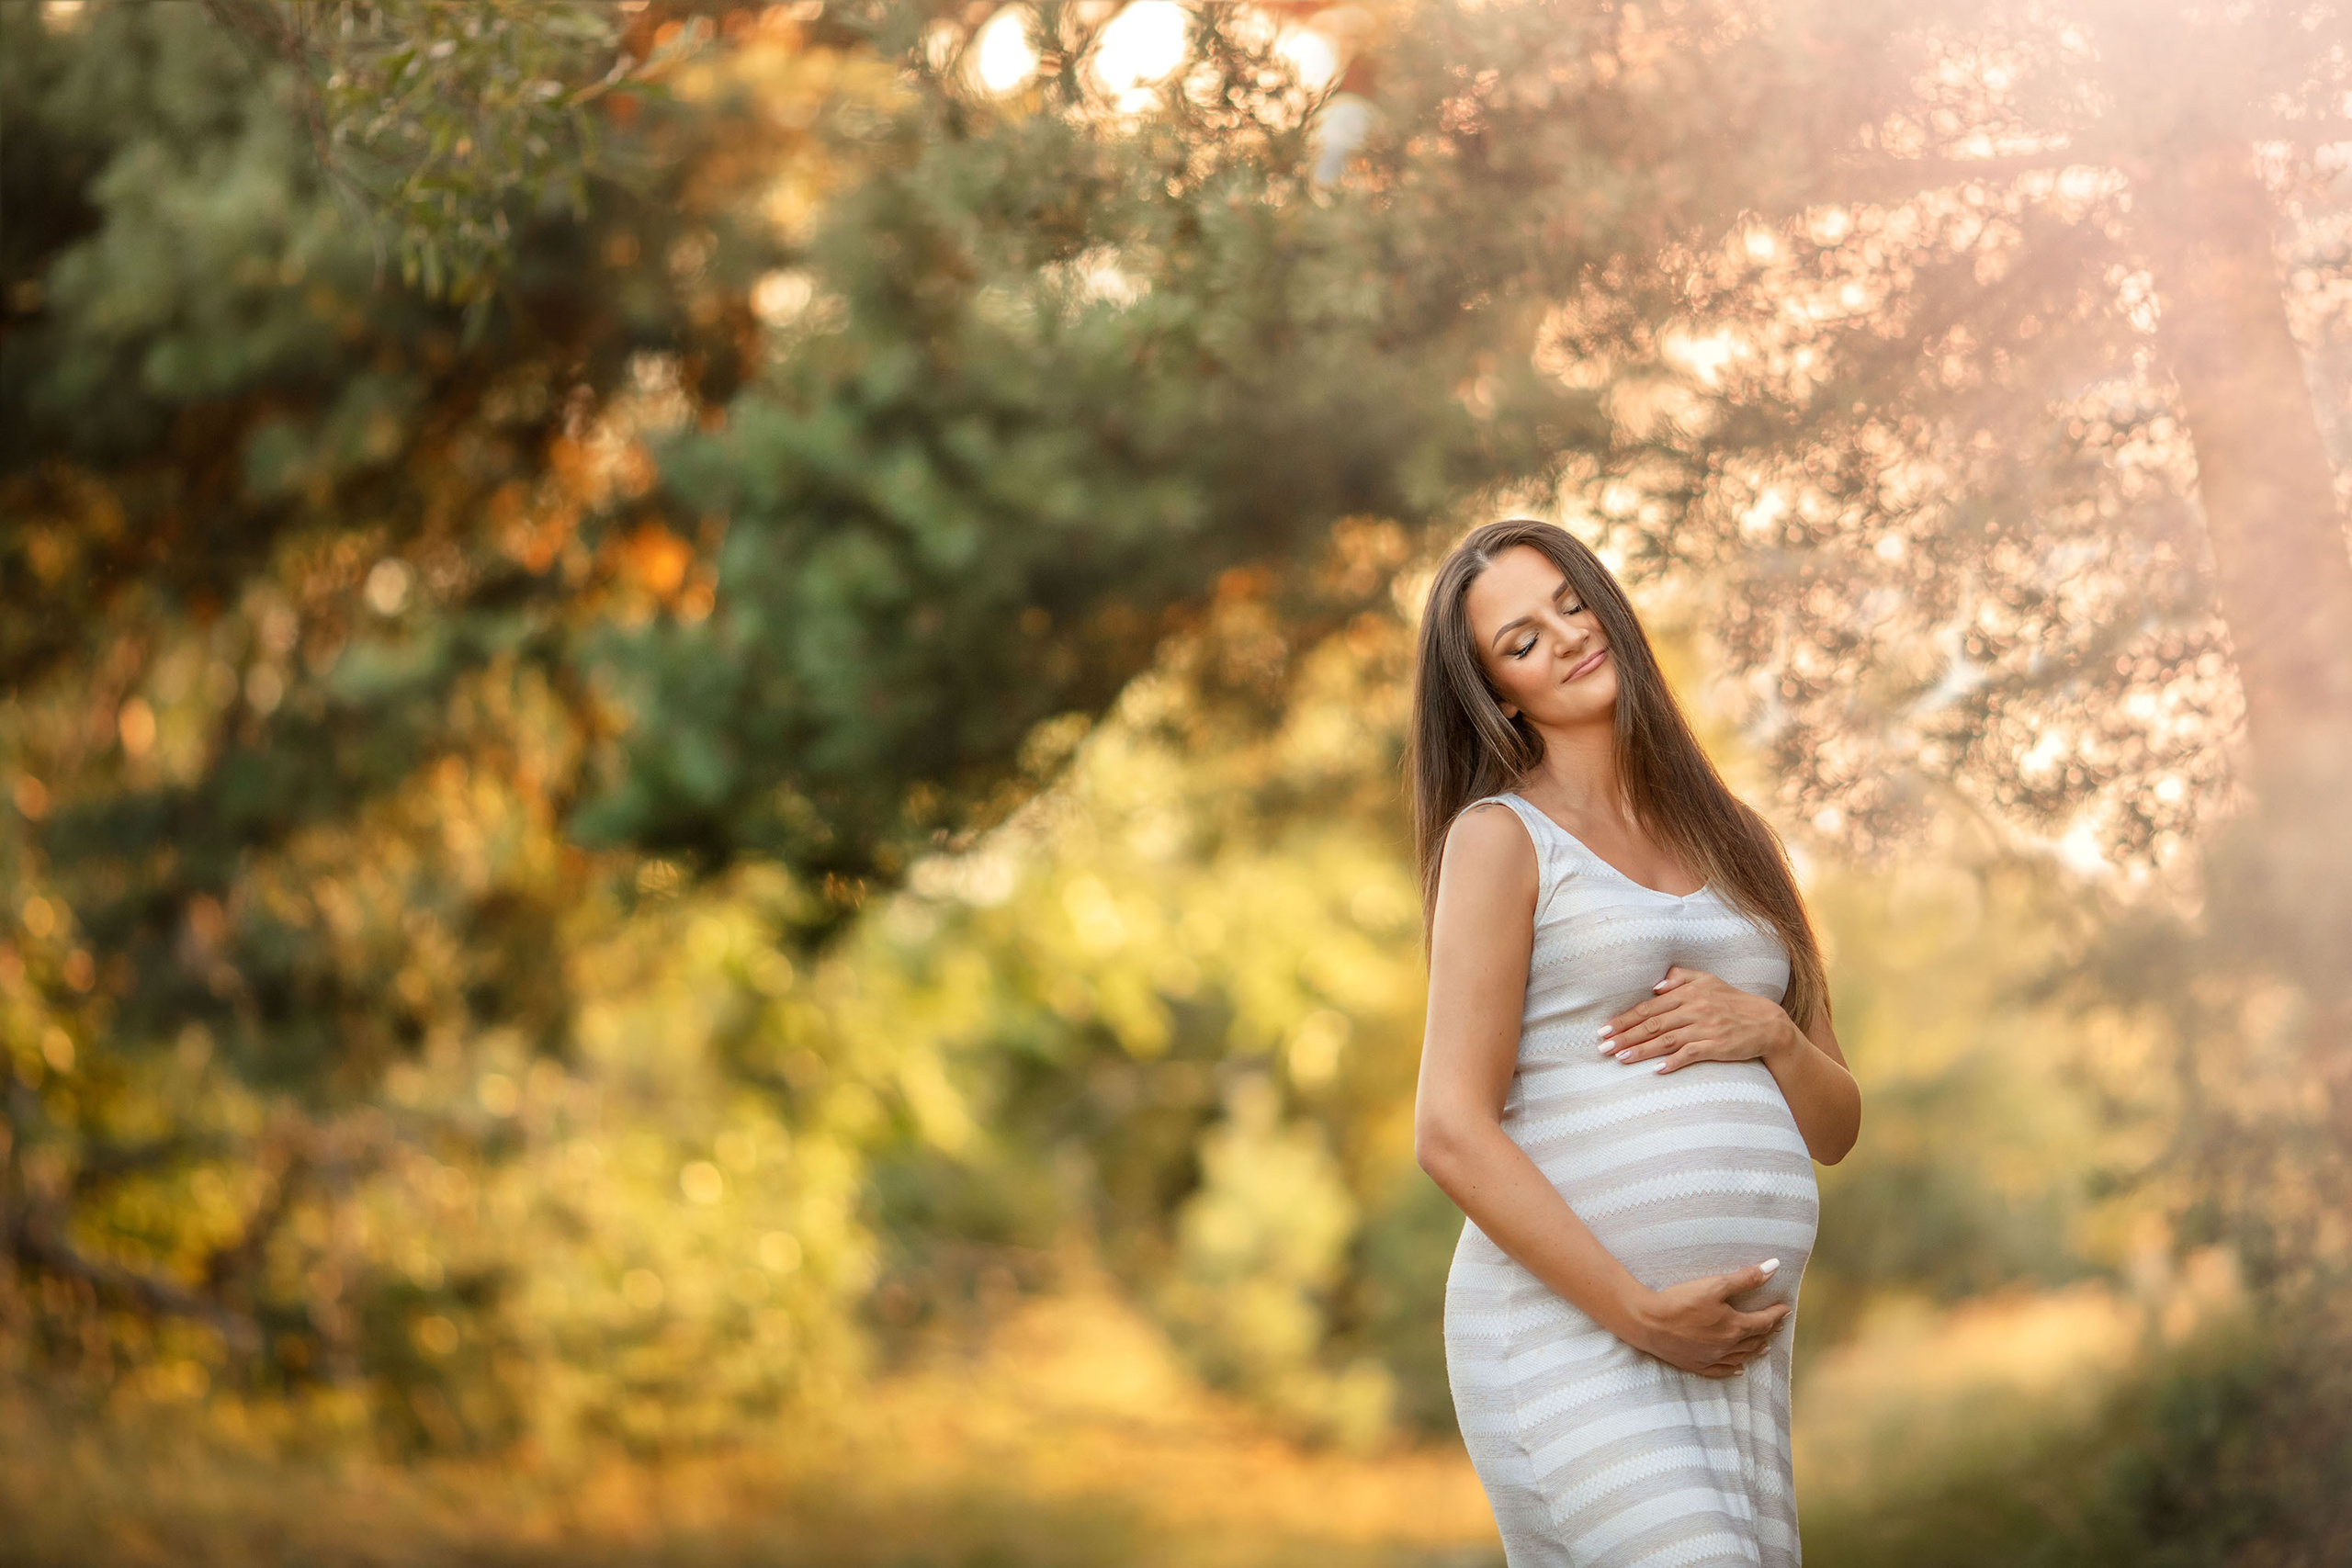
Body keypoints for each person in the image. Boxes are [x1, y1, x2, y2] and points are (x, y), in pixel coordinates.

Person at [1410, 519, 1861, 1567]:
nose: (1564, 637)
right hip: (1572, 1333)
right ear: (1496, 693)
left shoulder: (1740, 839)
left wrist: (1772, 1037)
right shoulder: (1501, 840)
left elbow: (1836, 1126)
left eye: (1569, 602)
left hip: (1733, 1350)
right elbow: (1448, 1131)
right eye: (1519, 641)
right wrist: (1639, 1313)